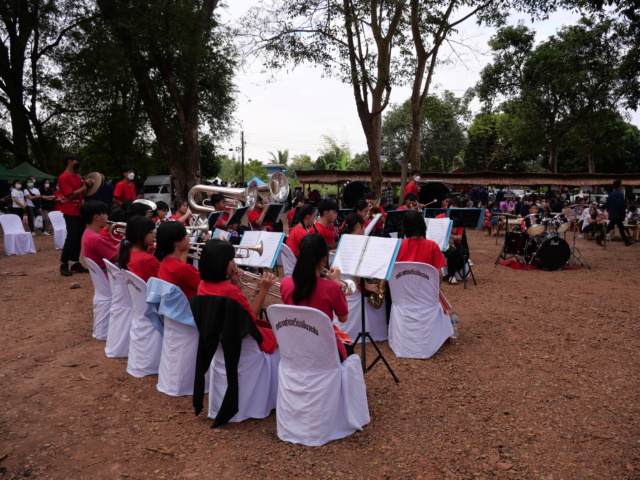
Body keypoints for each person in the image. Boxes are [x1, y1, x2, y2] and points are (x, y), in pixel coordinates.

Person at [197, 239, 277, 354]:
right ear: (221, 263)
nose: (234, 263)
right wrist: (263, 290)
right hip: (242, 340)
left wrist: (234, 282)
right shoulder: (230, 291)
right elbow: (252, 317)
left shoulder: (202, 284)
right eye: (231, 259)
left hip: (220, 338)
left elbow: (233, 308)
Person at [280, 234, 351, 361]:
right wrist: (337, 284)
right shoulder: (332, 288)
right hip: (322, 349)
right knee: (349, 349)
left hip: (295, 346)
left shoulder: (285, 283)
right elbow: (343, 318)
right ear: (324, 260)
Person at [58, 153, 94, 277]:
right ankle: (64, 264)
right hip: (70, 210)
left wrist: (88, 185)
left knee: (79, 237)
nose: (77, 162)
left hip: (79, 210)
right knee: (72, 237)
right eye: (75, 160)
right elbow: (70, 195)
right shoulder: (63, 177)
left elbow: (84, 192)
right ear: (69, 161)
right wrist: (85, 186)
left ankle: (75, 263)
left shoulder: (77, 176)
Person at [395, 210, 447, 282]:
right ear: (423, 226)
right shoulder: (432, 246)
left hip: (402, 290)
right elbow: (439, 275)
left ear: (404, 227)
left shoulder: (397, 246)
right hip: (425, 291)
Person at [156, 221, 200, 299]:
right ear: (176, 242)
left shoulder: (164, 262)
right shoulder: (182, 268)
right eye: (186, 235)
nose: (189, 238)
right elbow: (205, 287)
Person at [80, 200, 119, 272]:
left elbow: (111, 252)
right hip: (110, 274)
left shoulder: (88, 233)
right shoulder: (97, 238)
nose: (107, 216)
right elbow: (117, 257)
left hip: (103, 272)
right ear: (97, 217)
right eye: (104, 213)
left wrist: (124, 241)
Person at [119, 216, 160, 281]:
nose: (154, 235)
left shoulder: (126, 251)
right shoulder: (148, 259)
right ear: (140, 234)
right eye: (150, 232)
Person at [604, 180, 633, 246]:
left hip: (612, 214)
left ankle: (626, 241)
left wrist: (612, 210)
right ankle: (599, 239)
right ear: (620, 186)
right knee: (614, 228)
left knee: (620, 228)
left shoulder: (611, 194)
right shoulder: (620, 194)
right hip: (618, 214)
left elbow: (607, 205)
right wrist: (623, 213)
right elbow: (620, 205)